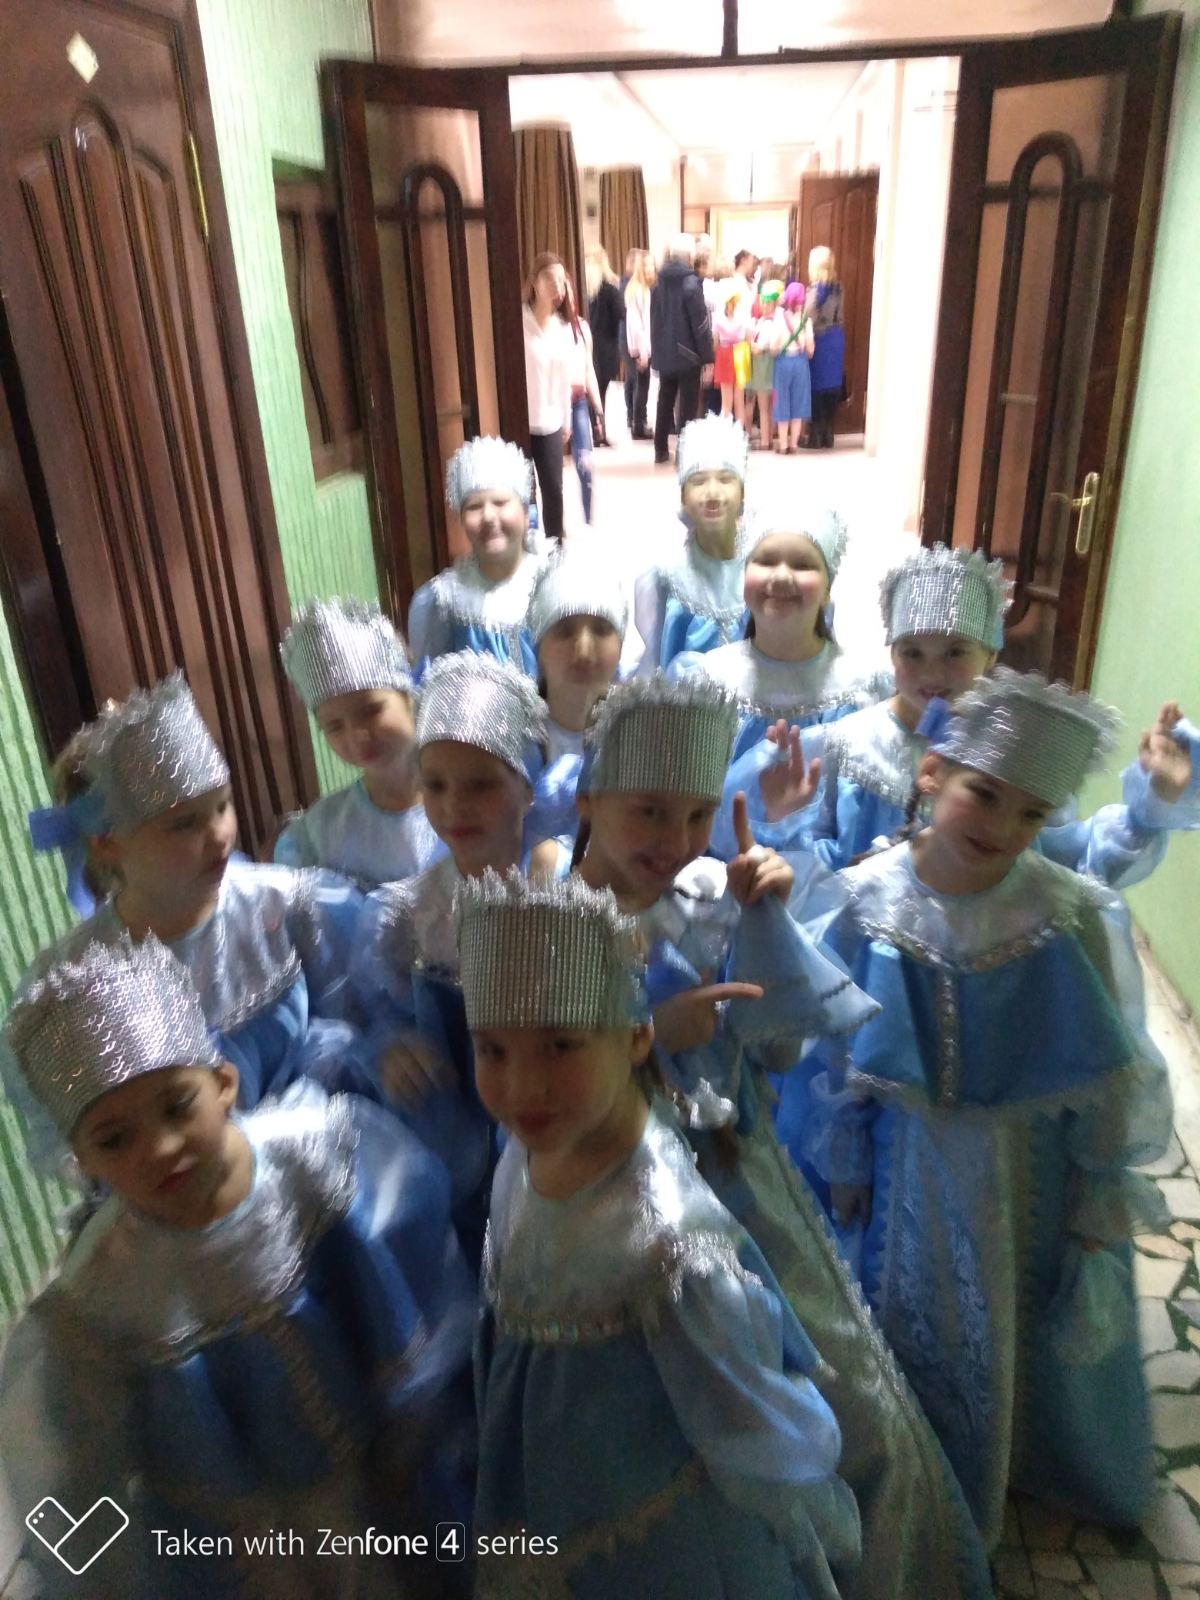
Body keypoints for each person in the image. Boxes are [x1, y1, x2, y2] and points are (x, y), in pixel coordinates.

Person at [569, 675, 994, 1600]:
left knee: (841, 1400)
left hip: (744, 1188)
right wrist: (646, 1036)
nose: (676, 839)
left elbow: (779, 1052)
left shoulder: (707, 895)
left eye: (695, 815)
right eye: (649, 811)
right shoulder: (549, 925)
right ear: (587, 799)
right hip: (619, 1220)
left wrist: (766, 921)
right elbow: (532, 1099)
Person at [802, 670, 1174, 1545]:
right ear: (932, 774)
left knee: (1012, 1315)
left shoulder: (1062, 914)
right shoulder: (867, 898)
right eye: (985, 794)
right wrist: (845, 1160)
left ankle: (1015, 1453)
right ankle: (913, 1454)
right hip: (903, 1164)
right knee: (898, 1312)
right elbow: (836, 1050)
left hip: (1021, 1171)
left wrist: (1097, 1197)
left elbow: (1105, 1072)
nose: (1002, 828)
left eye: (1031, 814)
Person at [0, 934, 476, 1600]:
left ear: (223, 1083)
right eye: (115, 1138)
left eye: (176, 1106)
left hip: (374, 1475)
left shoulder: (310, 1161)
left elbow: (401, 1274)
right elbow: (78, 1462)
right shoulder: (101, 1295)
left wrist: (412, 1418)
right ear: (81, 1160)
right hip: (242, 1535)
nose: (160, 1148)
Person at [459, 867, 862, 1600]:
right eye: (492, 1050)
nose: (521, 1087)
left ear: (637, 1037)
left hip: (657, 1536)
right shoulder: (528, 1146)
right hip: (547, 1487)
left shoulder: (670, 1242)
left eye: (560, 1045)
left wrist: (807, 1512)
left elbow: (754, 1419)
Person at [730, 545, 1195, 886]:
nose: (932, 673)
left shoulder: (1016, 752)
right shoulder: (846, 744)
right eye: (912, 652)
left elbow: (1063, 863)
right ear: (891, 653)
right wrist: (785, 821)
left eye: (955, 652)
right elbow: (814, 871)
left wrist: (1147, 812)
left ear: (991, 655)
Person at [22, 674, 364, 1117]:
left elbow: (360, 1015)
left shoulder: (283, 903)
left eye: (222, 805)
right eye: (184, 824)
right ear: (106, 843)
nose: (220, 834)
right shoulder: (84, 975)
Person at [352, 652, 563, 1269]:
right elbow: (376, 1014)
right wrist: (392, 1047)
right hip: (455, 1144)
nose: (454, 806)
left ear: (526, 788)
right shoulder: (406, 915)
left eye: (480, 784)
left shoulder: (562, 885)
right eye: (436, 785)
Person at [672, 510, 891, 769]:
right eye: (766, 561)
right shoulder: (707, 681)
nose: (781, 576)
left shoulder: (865, 689)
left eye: (802, 565)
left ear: (827, 590)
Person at [275, 598, 441, 887]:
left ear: (408, 696)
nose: (357, 735)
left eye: (371, 710)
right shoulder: (320, 833)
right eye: (334, 726)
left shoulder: (469, 799)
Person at [408, 436, 542, 677]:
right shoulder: (442, 602)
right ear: (460, 519)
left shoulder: (550, 583)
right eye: (474, 507)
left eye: (500, 502)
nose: (488, 516)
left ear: (524, 512)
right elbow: (428, 683)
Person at [633, 414, 753, 674]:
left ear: (743, 492)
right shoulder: (667, 577)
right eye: (698, 481)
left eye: (725, 479)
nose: (713, 493)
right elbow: (656, 662)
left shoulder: (762, 569)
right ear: (683, 497)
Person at [525, 545, 628, 847]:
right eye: (565, 630)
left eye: (601, 629)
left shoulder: (642, 732)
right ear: (538, 646)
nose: (583, 650)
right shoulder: (515, 737)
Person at [650, 234, 713, 466]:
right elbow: (700, 325)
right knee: (687, 405)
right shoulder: (691, 284)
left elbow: (654, 321)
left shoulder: (657, 284)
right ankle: (684, 452)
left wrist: (656, 351)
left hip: (664, 352)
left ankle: (660, 449)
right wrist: (707, 357)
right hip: (688, 355)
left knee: (664, 400)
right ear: (690, 256)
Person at [522, 252, 573, 539]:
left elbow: (564, 380)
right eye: (549, 279)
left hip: (551, 422)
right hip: (522, 420)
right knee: (524, 493)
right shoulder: (519, 323)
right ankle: (528, 549)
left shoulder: (561, 328)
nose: (556, 286)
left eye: (561, 280)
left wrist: (567, 417)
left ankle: (556, 551)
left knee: (554, 490)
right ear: (534, 282)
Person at [560, 272, 603, 524]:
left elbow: (588, 369)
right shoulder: (549, 328)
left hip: (579, 400)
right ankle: (555, 522)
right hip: (555, 402)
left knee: (585, 461)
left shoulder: (582, 327)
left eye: (567, 289)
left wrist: (598, 409)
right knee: (551, 470)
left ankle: (588, 518)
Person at [806, 247, 844, 450]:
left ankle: (815, 436)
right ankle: (828, 434)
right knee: (831, 386)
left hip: (819, 339)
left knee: (817, 388)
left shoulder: (815, 291)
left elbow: (808, 317)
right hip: (836, 338)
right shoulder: (838, 288)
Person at [585, 245, 623, 443]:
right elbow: (621, 313)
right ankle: (600, 432)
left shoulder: (583, 288)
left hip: (586, 344)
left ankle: (594, 431)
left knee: (589, 393)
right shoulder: (609, 288)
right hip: (606, 345)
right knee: (600, 392)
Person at [749, 279, 784, 451]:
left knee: (763, 407)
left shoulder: (767, 323)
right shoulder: (777, 319)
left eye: (767, 302)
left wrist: (750, 344)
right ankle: (769, 438)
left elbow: (760, 348)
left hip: (764, 365)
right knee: (769, 406)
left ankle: (765, 441)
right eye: (762, 302)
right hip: (773, 365)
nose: (763, 305)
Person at [623, 248, 654, 440]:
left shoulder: (638, 289)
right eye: (648, 265)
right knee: (642, 387)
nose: (651, 269)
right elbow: (638, 324)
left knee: (639, 385)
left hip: (638, 345)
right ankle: (638, 426)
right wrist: (643, 351)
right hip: (640, 346)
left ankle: (638, 423)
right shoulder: (639, 290)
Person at [712, 275, 752, 426]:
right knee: (739, 400)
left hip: (724, 354)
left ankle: (726, 432)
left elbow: (715, 342)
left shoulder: (718, 318)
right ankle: (740, 433)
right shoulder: (744, 317)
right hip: (741, 353)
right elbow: (749, 339)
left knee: (726, 401)